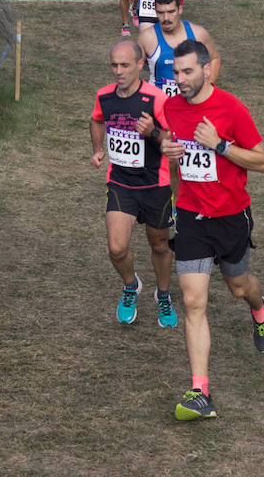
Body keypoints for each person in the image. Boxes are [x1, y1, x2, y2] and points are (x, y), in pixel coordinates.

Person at [160, 40, 264, 421]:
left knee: (239, 286)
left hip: (231, 216)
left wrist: (221, 146)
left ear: (207, 70)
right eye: (176, 73)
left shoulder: (230, 107)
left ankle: (259, 309)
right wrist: (167, 147)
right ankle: (200, 392)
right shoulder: (172, 106)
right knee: (193, 302)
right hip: (192, 215)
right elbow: (168, 139)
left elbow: (261, 161)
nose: (180, 80)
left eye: (187, 72)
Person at [90, 40, 177, 327]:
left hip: (155, 184)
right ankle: (131, 286)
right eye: (114, 65)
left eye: (124, 65)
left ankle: (163, 294)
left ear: (140, 65)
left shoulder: (156, 99)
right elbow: (97, 120)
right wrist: (98, 148)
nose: (118, 71)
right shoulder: (104, 96)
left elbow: (172, 142)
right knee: (116, 248)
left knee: (160, 245)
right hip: (120, 183)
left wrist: (152, 132)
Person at [138, 0, 220, 98]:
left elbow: (214, 58)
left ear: (180, 9)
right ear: (155, 11)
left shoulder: (198, 34)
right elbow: (134, 68)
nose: (166, 18)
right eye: (161, 13)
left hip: (190, 102)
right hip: (159, 105)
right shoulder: (147, 37)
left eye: (171, 12)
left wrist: (207, 89)